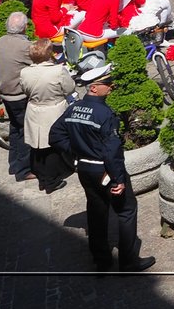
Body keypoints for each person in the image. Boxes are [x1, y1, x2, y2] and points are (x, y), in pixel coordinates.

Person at [49, 57, 155, 273]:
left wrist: (75, 153)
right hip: (105, 170)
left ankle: (101, 261)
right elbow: (112, 151)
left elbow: (55, 135)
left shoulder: (73, 109)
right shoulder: (105, 114)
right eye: (108, 84)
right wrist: (118, 179)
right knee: (126, 211)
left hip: (85, 170)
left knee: (96, 213)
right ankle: (128, 262)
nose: (112, 87)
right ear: (95, 88)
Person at [19, 38, 73, 192]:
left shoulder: (25, 72)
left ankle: (42, 178)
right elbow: (68, 89)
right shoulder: (57, 71)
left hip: (34, 109)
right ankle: (51, 181)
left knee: (37, 147)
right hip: (53, 110)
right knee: (51, 148)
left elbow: (25, 90)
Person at [0, 11, 34, 181]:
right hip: (18, 95)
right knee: (25, 131)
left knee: (15, 129)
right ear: (24, 27)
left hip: (5, 93)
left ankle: (14, 165)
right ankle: (23, 171)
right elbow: (38, 61)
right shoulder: (24, 46)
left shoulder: (1, 41)